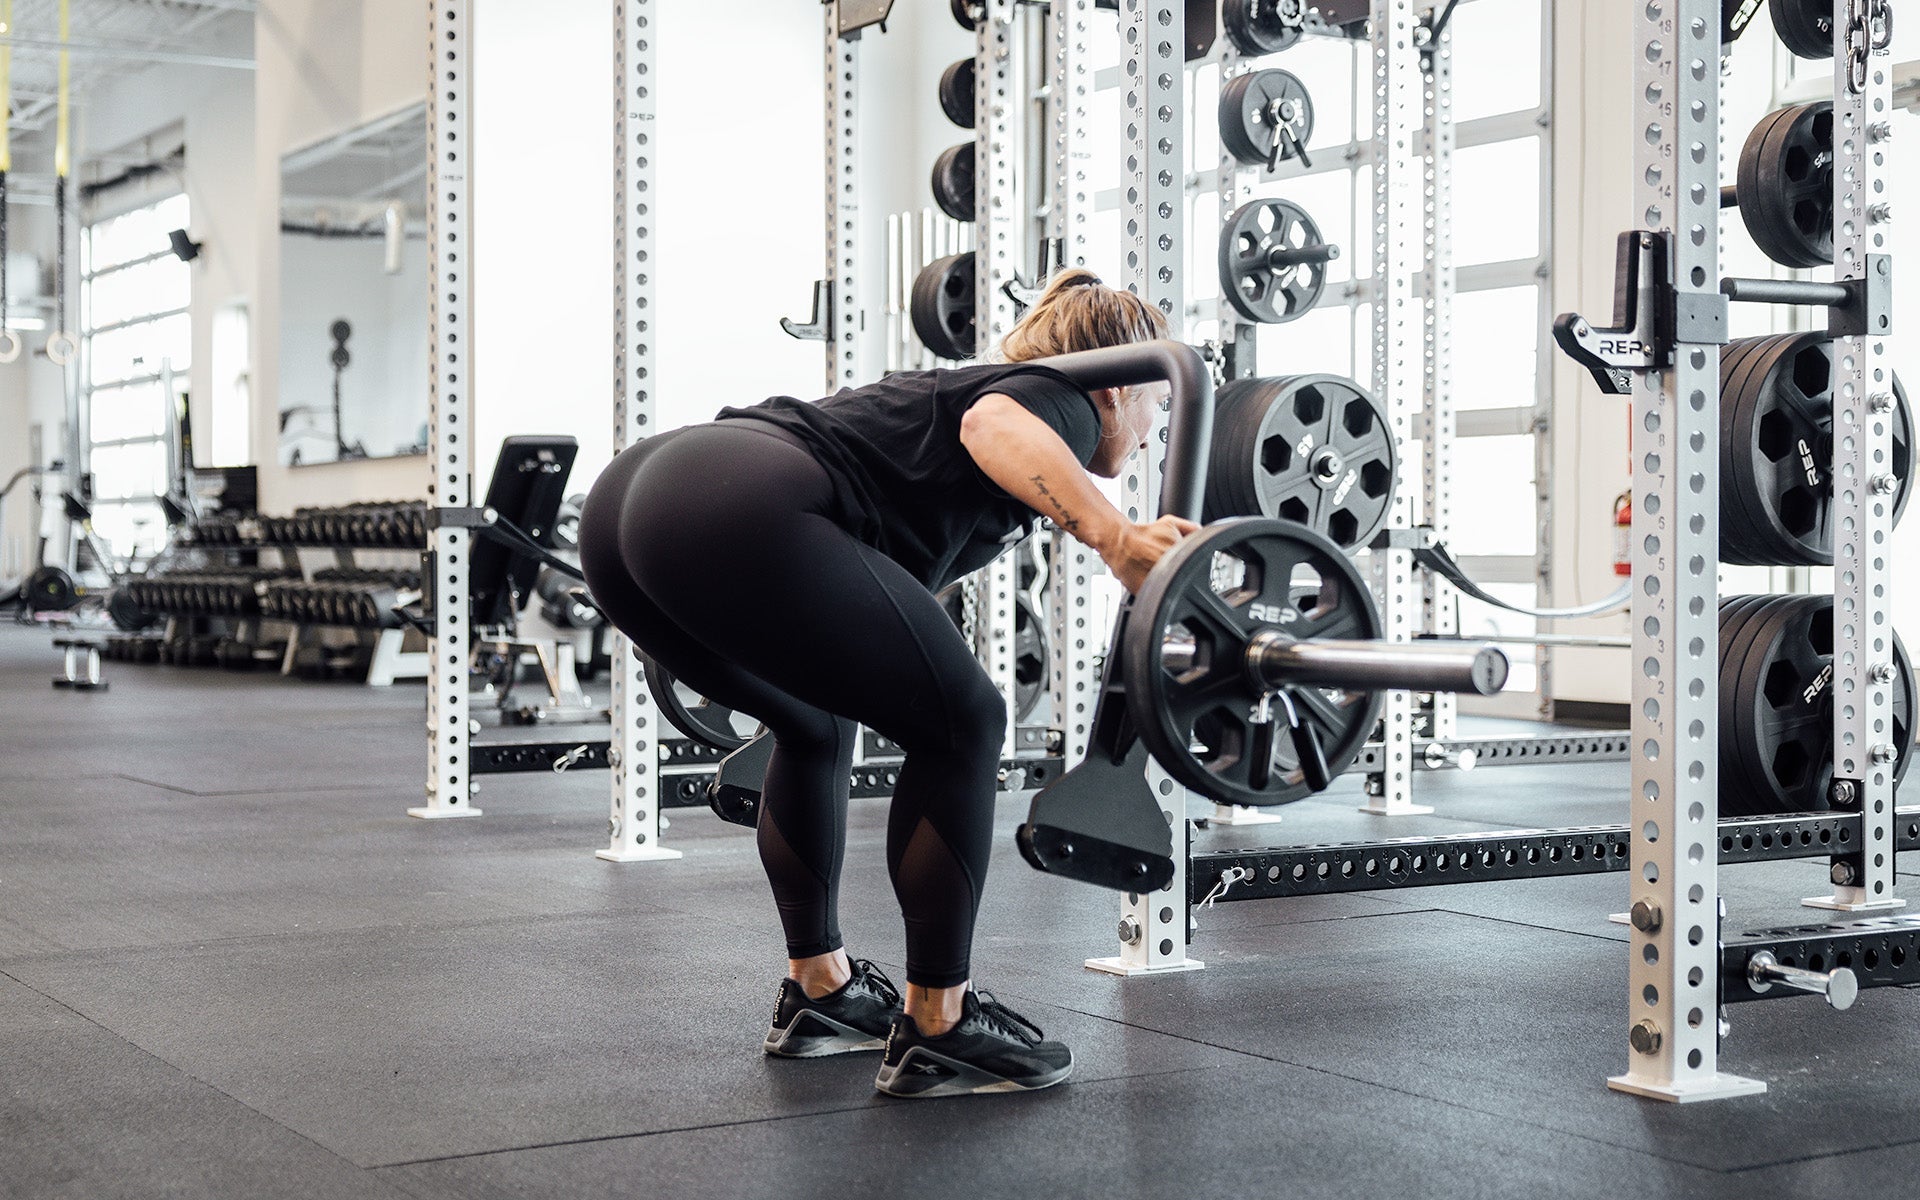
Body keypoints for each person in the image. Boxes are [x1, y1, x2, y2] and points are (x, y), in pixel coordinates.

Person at [579, 269, 1197, 1099]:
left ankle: (821, 993)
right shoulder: (1054, 392)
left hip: (634, 509)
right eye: (1154, 406)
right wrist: (1113, 535)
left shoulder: (959, 400)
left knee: (815, 724)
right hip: (736, 497)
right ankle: (941, 1024)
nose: (1154, 429)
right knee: (969, 721)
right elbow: (995, 424)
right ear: (1120, 381)